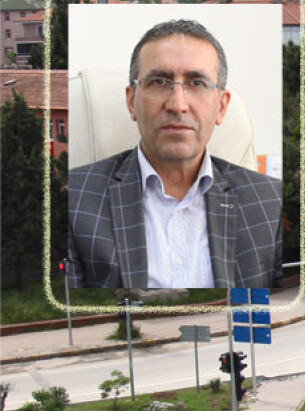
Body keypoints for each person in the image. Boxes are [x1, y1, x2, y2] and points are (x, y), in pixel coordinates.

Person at [67, 19, 283, 289]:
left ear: (222, 107)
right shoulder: (74, 201)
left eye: (197, 83)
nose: (178, 105)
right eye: (159, 82)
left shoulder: (270, 202)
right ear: (132, 101)